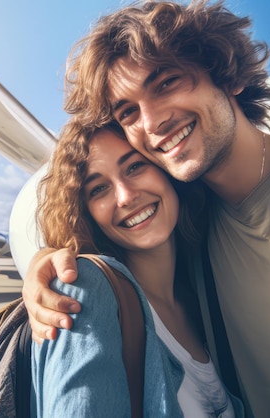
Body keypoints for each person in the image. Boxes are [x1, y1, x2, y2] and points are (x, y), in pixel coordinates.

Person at [22, 1, 270, 417]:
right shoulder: (198, 224)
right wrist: (48, 260)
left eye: (166, 83)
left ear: (227, 74)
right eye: (128, 112)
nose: (153, 121)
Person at [31, 118, 242, 417]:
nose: (126, 196)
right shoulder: (88, 290)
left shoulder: (201, 286)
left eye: (134, 167)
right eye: (99, 189)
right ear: (85, 212)